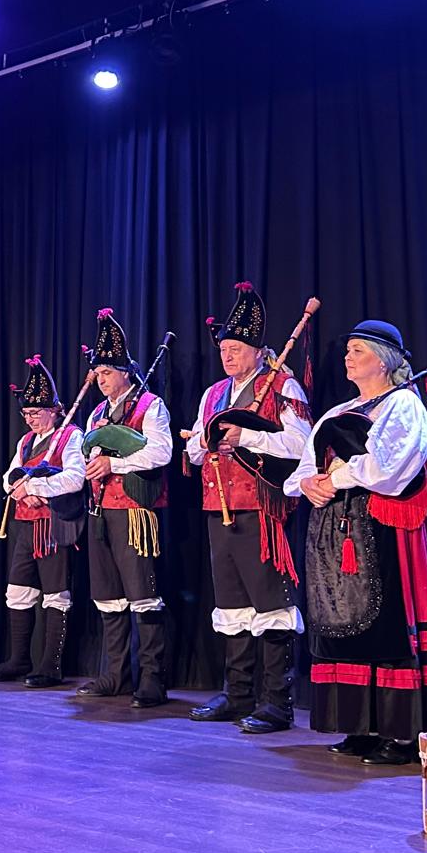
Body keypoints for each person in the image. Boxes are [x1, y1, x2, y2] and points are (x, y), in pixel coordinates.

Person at [285, 320, 427, 764]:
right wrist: (309, 485)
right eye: (347, 350)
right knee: (344, 623)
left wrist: (335, 476)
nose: (348, 357)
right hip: (335, 530)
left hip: (382, 527)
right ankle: (359, 726)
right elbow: (301, 471)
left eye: (358, 350)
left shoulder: (402, 404)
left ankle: (402, 732)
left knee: (385, 622)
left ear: (383, 360)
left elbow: (390, 469)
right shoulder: (336, 411)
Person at [184, 283, 310, 733]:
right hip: (219, 508)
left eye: (236, 348)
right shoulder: (213, 394)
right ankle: (238, 694)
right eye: (224, 349)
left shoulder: (281, 384)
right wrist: (205, 441)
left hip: (262, 508)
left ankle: (277, 701)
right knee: (232, 605)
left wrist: (247, 437)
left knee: (270, 605)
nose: (228, 356)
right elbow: (197, 451)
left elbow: (299, 443)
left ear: (257, 350)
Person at [77, 308, 174, 709]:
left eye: (106, 372)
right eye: (97, 373)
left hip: (134, 511)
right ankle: (115, 674)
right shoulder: (97, 413)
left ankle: (152, 678)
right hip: (100, 510)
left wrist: (115, 463)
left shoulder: (150, 405)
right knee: (109, 596)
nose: (100, 379)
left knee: (142, 595)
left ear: (126, 372)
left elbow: (162, 451)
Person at [0, 355, 85, 687]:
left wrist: (38, 487)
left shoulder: (70, 435)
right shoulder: (26, 442)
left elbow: (75, 478)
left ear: (54, 410)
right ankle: (19, 658)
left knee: (56, 594)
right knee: (18, 590)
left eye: (36, 413)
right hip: (26, 524)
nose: (29, 420)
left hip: (54, 526)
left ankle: (51, 665)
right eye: (25, 414)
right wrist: (19, 489)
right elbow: (8, 477)